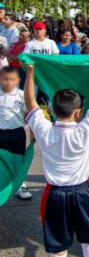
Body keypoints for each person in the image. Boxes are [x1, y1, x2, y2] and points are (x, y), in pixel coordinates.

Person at [23, 56, 89, 257]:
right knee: (88, 237)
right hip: (82, 192)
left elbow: (30, 102)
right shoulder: (84, 130)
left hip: (54, 193)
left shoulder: (45, 130)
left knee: (59, 241)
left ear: (52, 110)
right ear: (79, 113)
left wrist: (30, 72)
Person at [0, 66, 31, 200]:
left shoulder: (21, 95)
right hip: (1, 133)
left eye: (12, 79)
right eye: (5, 79)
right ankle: (3, 183)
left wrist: (33, 129)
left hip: (17, 133)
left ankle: (19, 185)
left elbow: (29, 114)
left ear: (17, 80)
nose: (8, 82)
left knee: (18, 159)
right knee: (2, 161)